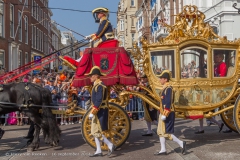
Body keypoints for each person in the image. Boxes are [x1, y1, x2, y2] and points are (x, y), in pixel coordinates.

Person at [85, 66, 115, 157]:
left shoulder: (100, 86)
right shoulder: (97, 85)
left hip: (99, 111)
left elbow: (99, 100)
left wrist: (93, 111)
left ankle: (110, 145)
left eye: (91, 76)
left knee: (97, 131)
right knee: (94, 131)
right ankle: (98, 150)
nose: (90, 77)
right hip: (97, 110)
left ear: (96, 76)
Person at [155, 70, 186, 155]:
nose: (159, 80)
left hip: (167, 112)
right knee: (161, 131)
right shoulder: (165, 87)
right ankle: (163, 149)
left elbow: (168, 102)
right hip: (163, 112)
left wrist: (165, 114)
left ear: (165, 79)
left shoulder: (169, 88)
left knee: (167, 132)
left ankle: (181, 143)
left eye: (161, 78)